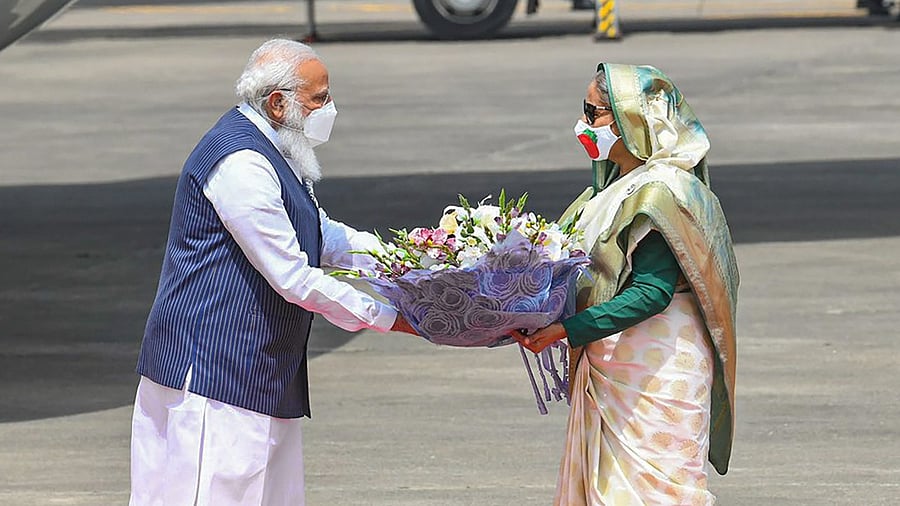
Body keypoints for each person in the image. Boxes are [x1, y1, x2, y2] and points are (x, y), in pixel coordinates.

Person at [130, 39, 416, 506]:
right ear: (278, 103)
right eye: (319, 98)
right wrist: (391, 316)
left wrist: (412, 260)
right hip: (214, 378)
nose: (329, 108)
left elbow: (321, 234)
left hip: (260, 372)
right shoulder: (241, 161)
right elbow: (293, 276)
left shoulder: (275, 147)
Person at [513, 63, 739, 505]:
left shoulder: (661, 192)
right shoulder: (612, 189)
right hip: (614, 363)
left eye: (592, 112)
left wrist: (566, 329)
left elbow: (652, 293)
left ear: (631, 121)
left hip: (656, 369)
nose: (583, 124)